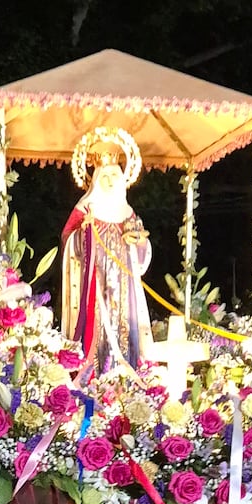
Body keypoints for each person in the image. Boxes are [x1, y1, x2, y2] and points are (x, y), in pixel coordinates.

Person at [61, 127, 152, 372]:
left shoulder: (128, 212)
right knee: (97, 330)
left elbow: (141, 253)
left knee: (125, 327)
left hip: (124, 287)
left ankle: (125, 378)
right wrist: (84, 232)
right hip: (95, 283)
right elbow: (69, 242)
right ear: (96, 178)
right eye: (105, 177)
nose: (110, 181)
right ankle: (94, 378)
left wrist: (139, 242)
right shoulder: (86, 209)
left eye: (114, 175)